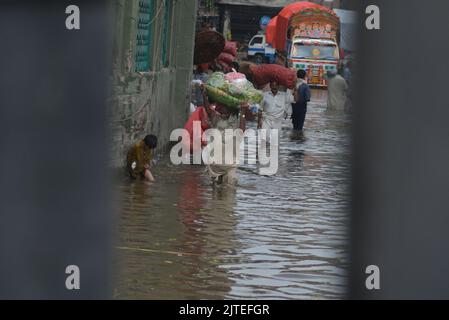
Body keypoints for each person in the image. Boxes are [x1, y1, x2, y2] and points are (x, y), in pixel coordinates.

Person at [291, 69, 311, 137]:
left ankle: (293, 137)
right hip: (302, 107)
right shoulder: (305, 86)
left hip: (293, 106)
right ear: (305, 76)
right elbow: (308, 98)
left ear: (297, 75)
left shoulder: (293, 84)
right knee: (300, 125)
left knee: (294, 124)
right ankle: (298, 137)